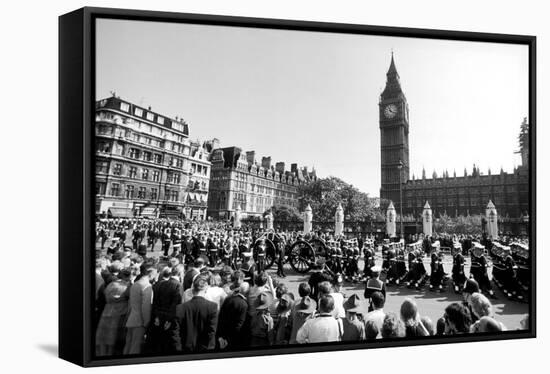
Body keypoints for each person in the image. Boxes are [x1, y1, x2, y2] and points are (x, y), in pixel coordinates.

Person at [176, 275, 218, 352]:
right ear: (205, 289)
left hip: (186, 347)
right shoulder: (212, 307)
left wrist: (178, 348)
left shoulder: (180, 308)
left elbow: (176, 332)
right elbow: (212, 331)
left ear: (193, 289)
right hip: (205, 348)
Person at [146, 266, 183, 354]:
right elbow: (176, 304)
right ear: (181, 274)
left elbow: (155, 302)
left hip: (159, 318)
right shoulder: (178, 285)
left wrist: (157, 316)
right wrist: (169, 320)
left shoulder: (161, 284)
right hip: (169, 320)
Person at [95, 268, 132, 356]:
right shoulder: (126, 287)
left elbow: (105, 294)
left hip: (107, 311)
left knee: (104, 336)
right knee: (114, 337)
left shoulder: (111, 284)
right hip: (119, 314)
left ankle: (102, 353)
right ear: (128, 276)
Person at [123, 262, 156, 355]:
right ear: (150, 273)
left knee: (128, 345)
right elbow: (146, 307)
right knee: (135, 348)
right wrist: (146, 322)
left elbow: (130, 303)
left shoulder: (135, 284)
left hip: (131, 318)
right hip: (140, 321)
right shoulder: (147, 286)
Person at [217, 282, 250, 349]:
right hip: (235, 338)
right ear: (247, 292)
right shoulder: (243, 304)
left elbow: (221, 316)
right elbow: (240, 323)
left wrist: (221, 335)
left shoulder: (228, 298)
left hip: (224, 334)